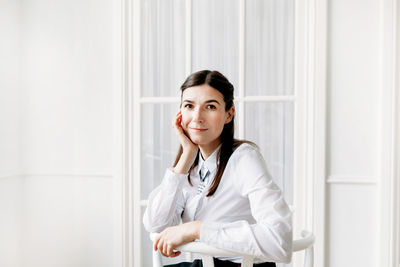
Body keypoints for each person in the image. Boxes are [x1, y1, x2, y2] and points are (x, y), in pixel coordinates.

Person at [143, 70, 293, 267]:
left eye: (210, 107)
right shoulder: (193, 164)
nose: (197, 117)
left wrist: (196, 230)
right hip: (206, 263)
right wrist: (186, 157)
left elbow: (279, 242)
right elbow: (156, 224)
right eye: (189, 106)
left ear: (229, 114)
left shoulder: (243, 158)